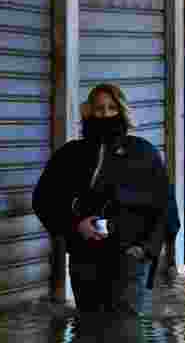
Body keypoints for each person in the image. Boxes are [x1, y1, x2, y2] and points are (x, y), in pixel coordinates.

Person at [33, 84, 170, 313]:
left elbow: (164, 207)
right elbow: (44, 201)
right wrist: (75, 226)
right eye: (99, 109)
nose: (105, 114)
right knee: (89, 334)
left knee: (125, 336)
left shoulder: (143, 153)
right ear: (88, 112)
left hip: (129, 260)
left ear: (122, 111)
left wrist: (145, 249)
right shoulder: (71, 154)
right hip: (85, 259)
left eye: (111, 108)